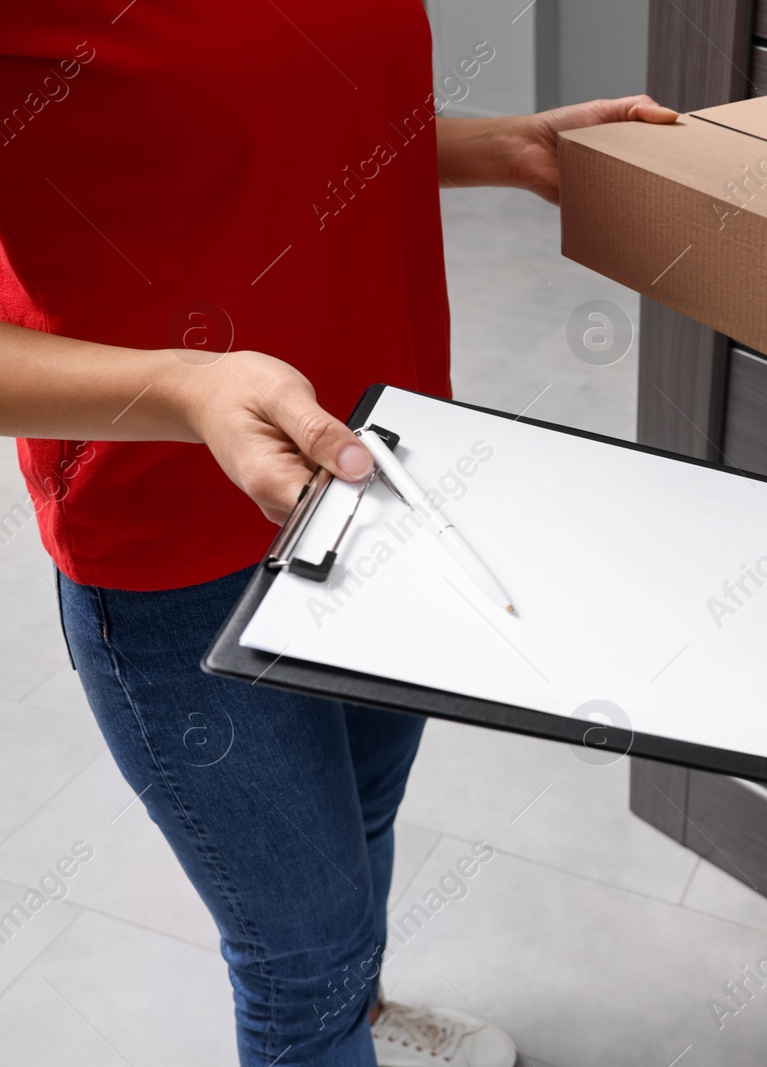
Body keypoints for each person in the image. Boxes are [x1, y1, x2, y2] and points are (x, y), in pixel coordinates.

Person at [1, 7, 673, 1066]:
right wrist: (181, 387)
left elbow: (277, 119)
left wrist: (496, 147)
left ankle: (360, 1015)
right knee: (299, 960)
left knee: (357, 828)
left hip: (386, 483)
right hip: (179, 543)